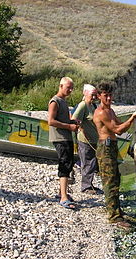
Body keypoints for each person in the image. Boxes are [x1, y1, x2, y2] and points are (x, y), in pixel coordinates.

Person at [93, 83, 136, 229]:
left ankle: (116, 210)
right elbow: (118, 130)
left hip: (112, 146)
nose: (109, 97)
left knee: (116, 179)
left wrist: (135, 119)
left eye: (110, 95)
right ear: (99, 96)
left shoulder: (110, 111)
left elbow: (120, 124)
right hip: (105, 148)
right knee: (109, 181)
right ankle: (114, 217)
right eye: (105, 95)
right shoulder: (101, 112)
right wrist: (132, 118)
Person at [48, 77, 80, 209]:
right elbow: (51, 121)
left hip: (66, 137)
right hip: (60, 138)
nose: (71, 90)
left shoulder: (63, 101)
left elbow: (64, 119)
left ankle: (61, 192)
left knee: (68, 163)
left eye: (72, 88)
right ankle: (63, 197)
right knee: (65, 164)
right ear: (61, 86)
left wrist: (73, 122)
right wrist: (69, 127)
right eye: (68, 88)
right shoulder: (55, 101)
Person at [71, 84, 103, 195]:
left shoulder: (93, 106)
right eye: (92, 95)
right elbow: (74, 119)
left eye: (95, 95)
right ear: (85, 93)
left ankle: (90, 184)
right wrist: (80, 127)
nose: (94, 97)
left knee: (92, 163)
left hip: (94, 140)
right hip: (85, 140)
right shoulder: (83, 105)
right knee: (87, 162)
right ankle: (86, 187)